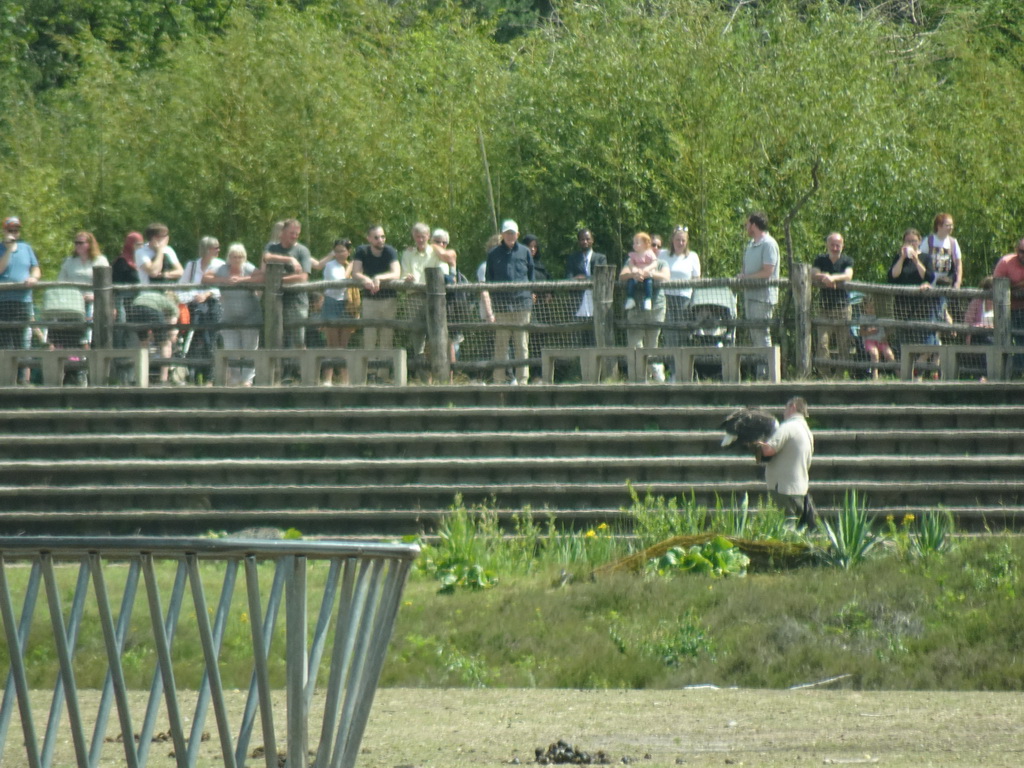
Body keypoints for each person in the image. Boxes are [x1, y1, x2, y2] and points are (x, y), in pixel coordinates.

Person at [481, 220, 534, 385]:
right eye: (507, 233)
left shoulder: (525, 252)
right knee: (501, 345)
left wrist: (529, 293)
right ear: (502, 235)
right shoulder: (493, 254)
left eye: (513, 233)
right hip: (502, 306)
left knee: (522, 345)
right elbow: (489, 279)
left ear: (517, 235)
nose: (510, 236)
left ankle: (523, 380)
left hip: (522, 305)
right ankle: (498, 380)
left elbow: (531, 275)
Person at [205, 243, 262, 385]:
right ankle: (235, 379)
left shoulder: (248, 267)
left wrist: (242, 280)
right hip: (229, 316)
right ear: (229, 257)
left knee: (250, 348)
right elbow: (205, 277)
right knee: (231, 348)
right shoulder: (222, 269)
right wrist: (224, 280)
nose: (237, 259)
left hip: (250, 316)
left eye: (240, 256)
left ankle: (247, 380)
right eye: (234, 256)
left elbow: (263, 277)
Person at [618, 232, 670, 381]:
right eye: (653, 244)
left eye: (658, 246)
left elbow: (666, 277)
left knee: (652, 344)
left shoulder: (661, 263)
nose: (655, 247)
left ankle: (657, 379)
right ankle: (639, 378)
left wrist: (649, 274)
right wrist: (634, 274)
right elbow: (622, 275)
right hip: (635, 309)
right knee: (635, 343)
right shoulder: (632, 259)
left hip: (656, 308)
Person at [757, 396, 815, 529]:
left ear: (793, 407)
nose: (784, 412)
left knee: (786, 528)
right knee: (797, 528)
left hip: (783, 488)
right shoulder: (806, 431)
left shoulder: (788, 427)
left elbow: (768, 450)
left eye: (785, 408)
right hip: (800, 488)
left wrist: (755, 444)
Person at [889, 228, 937, 375]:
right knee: (905, 342)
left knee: (928, 343)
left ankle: (919, 372)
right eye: (908, 241)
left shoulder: (926, 258)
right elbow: (892, 276)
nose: (911, 244)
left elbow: (928, 276)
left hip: (922, 307)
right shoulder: (898, 257)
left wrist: (916, 260)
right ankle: (907, 374)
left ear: (919, 241)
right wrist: (902, 258)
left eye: (914, 241)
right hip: (903, 306)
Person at [179, 236, 225, 382]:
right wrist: (191, 296)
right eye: (215, 247)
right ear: (206, 249)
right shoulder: (192, 266)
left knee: (210, 340)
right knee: (191, 341)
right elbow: (181, 286)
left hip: (212, 307)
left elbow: (224, 288)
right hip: (193, 307)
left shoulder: (221, 266)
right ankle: (190, 373)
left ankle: (210, 377)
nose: (218, 250)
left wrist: (208, 293)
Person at [0, 216, 40, 383]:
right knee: (4, 341)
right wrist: (8, 249)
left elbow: (36, 268)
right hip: (3, 301)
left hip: (23, 301)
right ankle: (6, 381)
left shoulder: (26, 248)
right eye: (10, 230)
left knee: (22, 340)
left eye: (16, 230)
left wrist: (34, 278)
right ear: (4, 231)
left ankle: (24, 381)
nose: (14, 233)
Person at [263, 218, 312, 352]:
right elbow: (266, 257)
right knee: (277, 339)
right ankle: (281, 371)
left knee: (298, 339)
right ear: (283, 232)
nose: (294, 236)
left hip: (297, 302)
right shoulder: (272, 248)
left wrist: (278, 281)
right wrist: (290, 259)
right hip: (275, 302)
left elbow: (303, 277)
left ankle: (302, 371)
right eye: (291, 233)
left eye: (297, 234)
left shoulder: (303, 251)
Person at [314, 238, 357, 384]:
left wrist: (352, 268)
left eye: (342, 251)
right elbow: (340, 284)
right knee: (332, 344)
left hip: (348, 305)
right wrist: (350, 269)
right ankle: (327, 379)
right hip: (332, 303)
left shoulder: (352, 265)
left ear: (348, 252)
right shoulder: (330, 266)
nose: (339, 254)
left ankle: (346, 380)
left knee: (343, 345)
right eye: (336, 251)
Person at [352, 224, 401, 350]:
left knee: (386, 338)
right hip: (369, 300)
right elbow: (356, 272)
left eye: (383, 237)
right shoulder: (362, 251)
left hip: (389, 300)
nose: (381, 240)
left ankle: (383, 370)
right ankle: (370, 370)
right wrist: (366, 279)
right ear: (369, 239)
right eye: (377, 237)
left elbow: (396, 273)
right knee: (369, 338)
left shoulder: (390, 251)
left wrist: (378, 278)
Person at [737, 212, 780, 356]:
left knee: (762, 334)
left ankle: (767, 372)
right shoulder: (750, 244)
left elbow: (768, 271)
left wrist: (746, 278)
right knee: (755, 335)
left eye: (747, 224)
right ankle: (761, 371)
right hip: (750, 296)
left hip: (763, 298)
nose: (746, 227)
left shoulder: (769, 244)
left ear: (753, 225)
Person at [810, 232, 855, 369]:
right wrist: (825, 276)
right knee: (822, 343)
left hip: (843, 308)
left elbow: (848, 275)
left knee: (844, 343)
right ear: (827, 245)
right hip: (824, 308)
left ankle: (841, 375)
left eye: (838, 245)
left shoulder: (847, 260)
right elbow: (813, 273)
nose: (835, 248)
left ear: (842, 246)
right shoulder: (820, 259)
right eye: (832, 245)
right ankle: (825, 375)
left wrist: (833, 279)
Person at [400, 222, 443, 362]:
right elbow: (403, 275)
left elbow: (442, 273)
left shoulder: (436, 253)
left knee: (436, 331)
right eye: (417, 236)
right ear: (413, 236)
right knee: (416, 332)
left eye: (423, 236)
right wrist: (408, 278)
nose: (420, 240)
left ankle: (437, 366)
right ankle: (421, 371)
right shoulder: (407, 253)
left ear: (428, 236)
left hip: (434, 297)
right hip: (414, 297)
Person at [57, 231, 109, 343]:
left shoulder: (100, 260)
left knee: (90, 320)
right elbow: (61, 282)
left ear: (89, 244)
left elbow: (106, 285)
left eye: (81, 243)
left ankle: (87, 345)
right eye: (76, 243)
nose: (78, 245)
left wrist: (94, 296)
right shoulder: (69, 261)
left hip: (93, 301)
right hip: (73, 302)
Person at [662, 225, 701, 351]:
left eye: (683, 240)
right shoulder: (663, 255)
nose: (680, 243)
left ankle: (684, 366)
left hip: (684, 299)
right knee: (669, 332)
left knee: (683, 332)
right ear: (672, 240)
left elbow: (696, 279)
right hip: (666, 297)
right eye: (678, 240)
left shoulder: (693, 256)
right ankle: (673, 367)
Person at [565, 228, 606, 321]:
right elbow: (568, 277)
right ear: (579, 241)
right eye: (582, 239)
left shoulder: (600, 258)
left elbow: (602, 276)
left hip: (596, 301)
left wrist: (585, 278)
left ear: (592, 240)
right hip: (578, 304)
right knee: (579, 333)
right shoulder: (573, 258)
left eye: (587, 239)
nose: (585, 242)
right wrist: (575, 279)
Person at [112, 232, 143, 349]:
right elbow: (115, 284)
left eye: (141, 244)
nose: (140, 247)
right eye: (137, 244)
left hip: (137, 301)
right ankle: (120, 352)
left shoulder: (142, 261)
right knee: (122, 326)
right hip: (123, 301)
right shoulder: (122, 262)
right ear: (130, 245)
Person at [993, 238, 1024, 353]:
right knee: (1004, 343)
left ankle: (1019, 369)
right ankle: (1008, 370)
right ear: (1017, 250)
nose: (1023, 255)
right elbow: (997, 286)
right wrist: (1018, 286)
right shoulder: (1006, 263)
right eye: (1022, 251)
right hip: (1006, 311)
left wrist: (1013, 285)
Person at [858, 295, 896, 380]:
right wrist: (869, 332)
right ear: (864, 308)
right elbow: (861, 332)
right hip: (869, 341)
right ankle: (875, 375)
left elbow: (890, 330)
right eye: (868, 307)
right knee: (875, 354)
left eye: (873, 307)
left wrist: (886, 337)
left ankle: (899, 373)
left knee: (889, 354)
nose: (871, 309)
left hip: (882, 341)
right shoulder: (863, 318)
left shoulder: (880, 317)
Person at [622, 232, 658, 311]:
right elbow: (631, 264)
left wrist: (647, 269)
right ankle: (630, 299)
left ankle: (648, 299)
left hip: (647, 274)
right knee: (631, 282)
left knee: (649, 282)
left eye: (637, 243)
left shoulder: (649, 253)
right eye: (634, 243)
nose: (634, 245)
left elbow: (654, 263)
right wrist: (634, 269)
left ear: (645, 244)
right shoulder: (633, 255)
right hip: (637, 274)